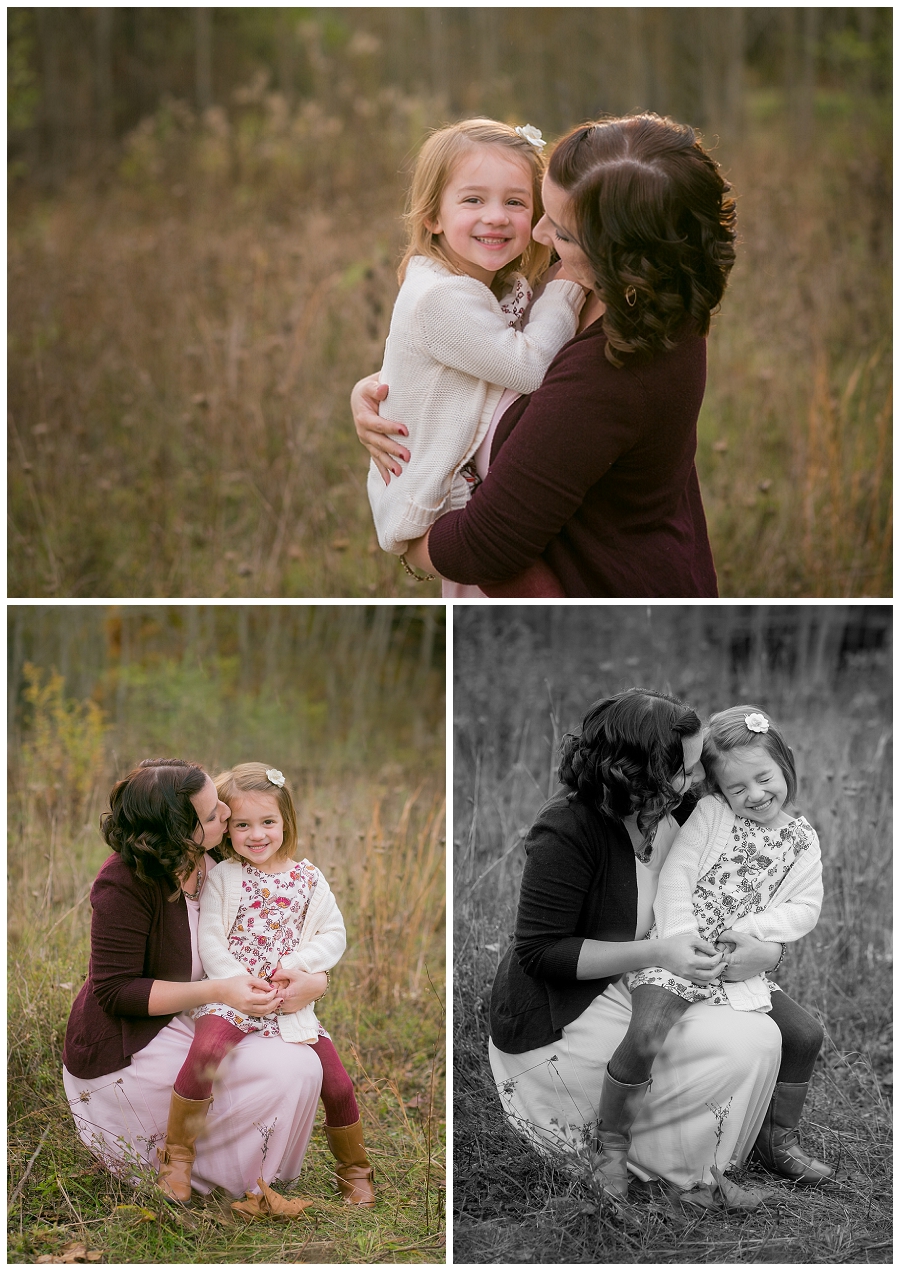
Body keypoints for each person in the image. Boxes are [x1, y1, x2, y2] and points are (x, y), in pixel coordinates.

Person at [353, 113, 733, 597]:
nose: (537, 234)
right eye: (543, 211)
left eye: (561, 230)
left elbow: (484, 547)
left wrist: (408, 543)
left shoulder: (617, 367)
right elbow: (474, 353)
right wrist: (376, 395)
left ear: (620, 249)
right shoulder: (576, 274)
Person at [488, 690, 788, 1196]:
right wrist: (658, 953)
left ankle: (706, 1162)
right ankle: (638, 1162)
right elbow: (541, 953)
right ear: (643, 773)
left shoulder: (683, 806)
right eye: (688, 770)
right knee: (684, 1052)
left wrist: (768, 952)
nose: (699, 780)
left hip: (654, 976)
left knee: (756, 1040)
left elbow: (749, 886)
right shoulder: (566, 828)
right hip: (569, 1010)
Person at [62, 758, 326, 1204]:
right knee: (214, 1078)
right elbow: (114, 991)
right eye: (211, 815)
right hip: (134, 1044)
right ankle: (188, 1170)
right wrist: (219, 990)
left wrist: (314, 980)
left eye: (218, 804)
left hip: (211, 1015)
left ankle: (257, 1177)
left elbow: (288, 929)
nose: (226, 815)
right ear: (178, 833)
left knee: (298, 1068)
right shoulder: (124, 881)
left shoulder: (225, 856)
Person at [599, 705, 831, 1195]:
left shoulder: (801, 840)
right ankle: (612, 1149)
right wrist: (682, 934)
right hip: (681, 951)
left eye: (764, 778)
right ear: (719, 791)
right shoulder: (711, 816)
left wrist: (755, 933)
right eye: (737, 788)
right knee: (645, 1034)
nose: (756, 795)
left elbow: (805, 908)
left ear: (784, 765)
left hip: (737, 962)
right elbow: (676, 874)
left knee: (806, 1034)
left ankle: (777, 1141)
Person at [367, 117, 585, 597]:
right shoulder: (441, 297)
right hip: (446, 503)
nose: (497, 217)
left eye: (515, 202)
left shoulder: (491, 283)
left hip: (466, 496)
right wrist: (567, 287)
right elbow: (526, 368)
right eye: (473, 200)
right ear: (433, 217)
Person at [156, 763, 374, 1207]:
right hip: (237, 994)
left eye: (267, 822)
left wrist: (299, 967)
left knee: (336, 1083)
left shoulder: (308, 879)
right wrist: (237, 982)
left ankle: (354, 1171)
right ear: (227, 828)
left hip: (289, 1001)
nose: (256, 835)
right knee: (206, 1055)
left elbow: (333, 934)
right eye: (242, 825)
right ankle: (177, 1158)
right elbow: (212, 937)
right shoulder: (224, 877)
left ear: (285, 822)